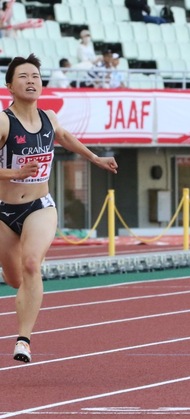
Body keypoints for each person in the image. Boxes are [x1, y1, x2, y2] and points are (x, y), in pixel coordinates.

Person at [0, 54, 118, 363]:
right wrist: (14, 173)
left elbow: (65, 138)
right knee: (14, 278)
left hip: (40, 206)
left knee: (30, 265)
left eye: (36, 76)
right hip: (3, 211)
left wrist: (96, 159)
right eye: (24, 76)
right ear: (9, 85)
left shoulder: (49, 117)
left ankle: (23, 339)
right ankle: (24, 296)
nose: (31, 81)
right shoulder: (3, 122)